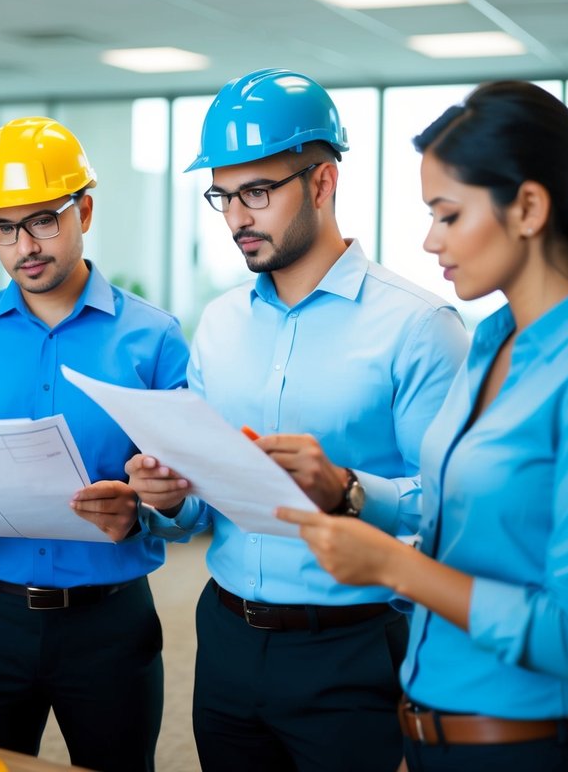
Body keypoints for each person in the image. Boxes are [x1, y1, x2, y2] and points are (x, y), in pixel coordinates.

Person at [277, 80, 568, 772]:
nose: (428, 238)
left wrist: (392, 568)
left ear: (526, 207)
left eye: (447, 214)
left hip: (525, 751)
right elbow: (460, 512)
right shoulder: (495, 340)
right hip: (429, 732)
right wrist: (348, 489)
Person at [126, 68, 469, 772]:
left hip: (348, 647)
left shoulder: (418, 326)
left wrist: (347, 487)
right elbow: (201, 509)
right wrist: (167, 498)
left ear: (321, 182)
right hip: (223, 637)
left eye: (257, 192)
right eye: (222, 195)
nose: (235, 217)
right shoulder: (217, 324)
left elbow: (454, 511)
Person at [0, 116, 189, 772]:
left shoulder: (154, 340)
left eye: (43, 220)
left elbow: (192, 497)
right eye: (3, 226)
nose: (24, 244)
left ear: (84, 209)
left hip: (110, 625)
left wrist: (144, 506)